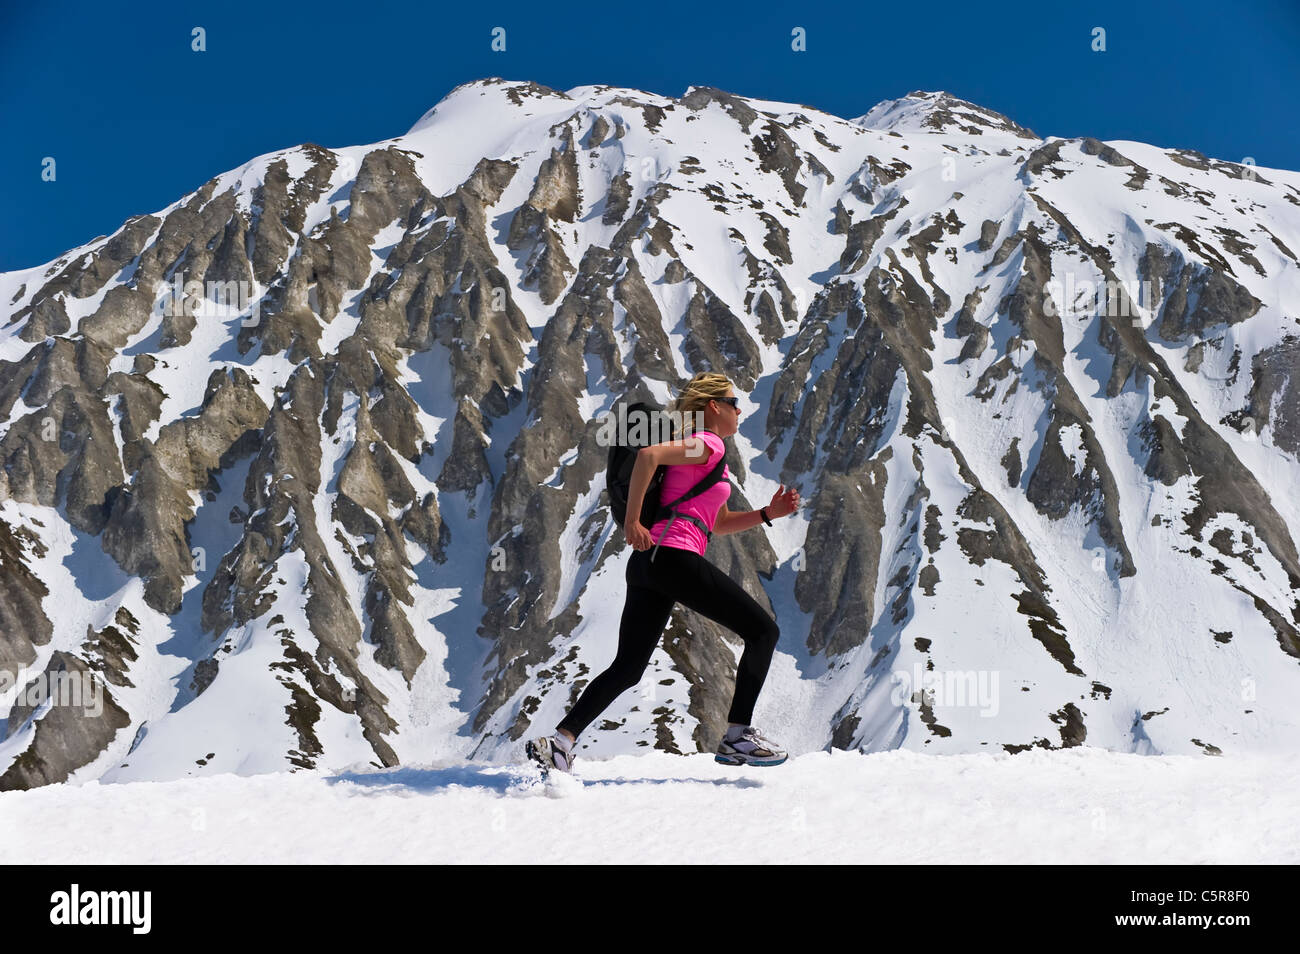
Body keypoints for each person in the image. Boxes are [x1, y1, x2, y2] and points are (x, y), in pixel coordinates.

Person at [526, 371, 801, 773]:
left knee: (629, 667)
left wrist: (766, 514)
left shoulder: (710, 457)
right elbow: (647, 456)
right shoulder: (708, 444)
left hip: (648, 564)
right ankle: (738, 737)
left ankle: (560, 743)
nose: (740, 410)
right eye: (734, 401)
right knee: (764, 631)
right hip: (672, 557)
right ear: (714, 408)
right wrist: (631, 522)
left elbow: (718, 523)